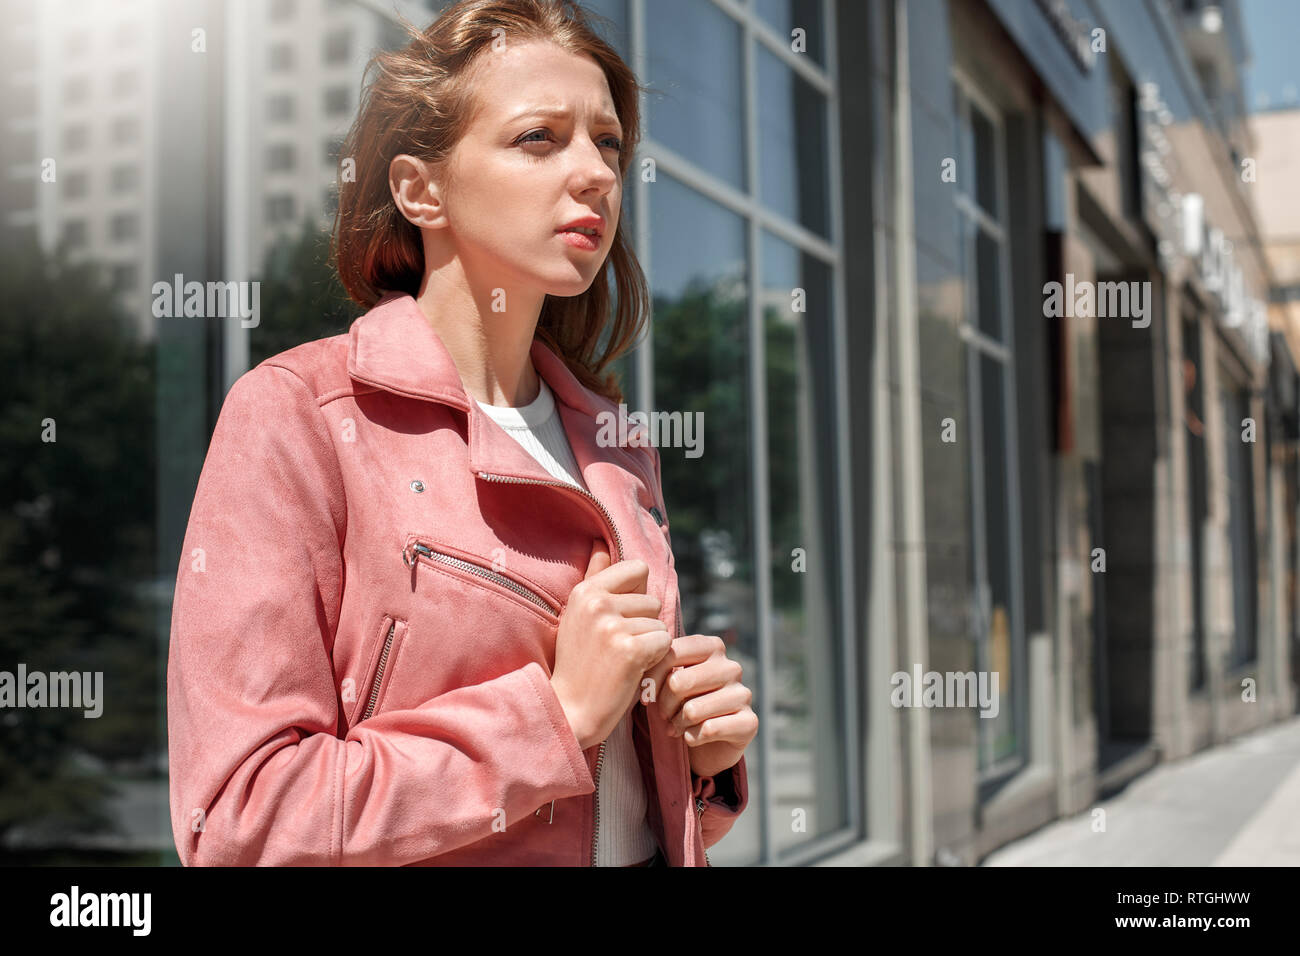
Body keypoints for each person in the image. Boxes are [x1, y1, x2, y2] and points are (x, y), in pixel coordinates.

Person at [166, 0, 755, 867]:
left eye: (609, 144)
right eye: (538, 139)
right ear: (420, 189)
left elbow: (606, 819)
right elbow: (242, 822)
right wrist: (551, 718)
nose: (595, 173)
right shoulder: (300, 416)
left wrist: (697, 761)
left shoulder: (614, 438)